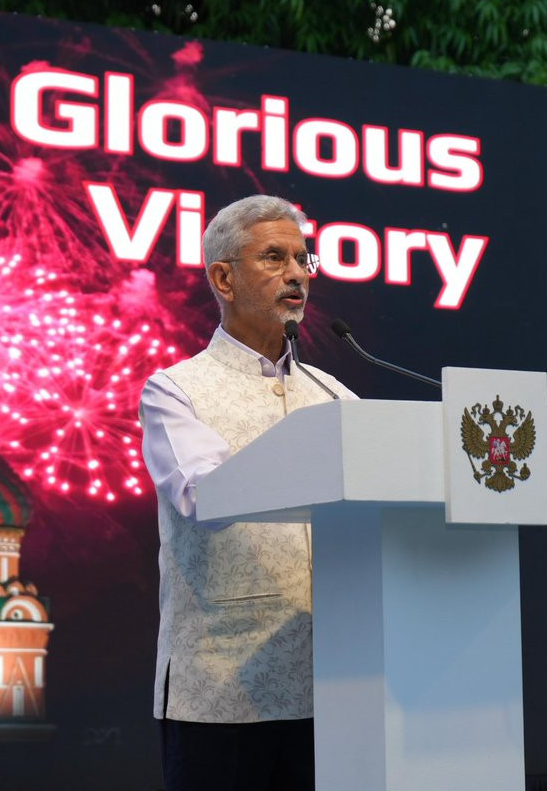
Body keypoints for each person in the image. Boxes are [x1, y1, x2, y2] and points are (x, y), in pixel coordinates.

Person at [140, 195, 355, 791]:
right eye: (274, 257)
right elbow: (202, 496)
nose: (296, 274)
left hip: (335, 687)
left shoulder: (333, 394)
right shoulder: (176, 390)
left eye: (303, 259)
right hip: (221, 690)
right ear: (223, 278)